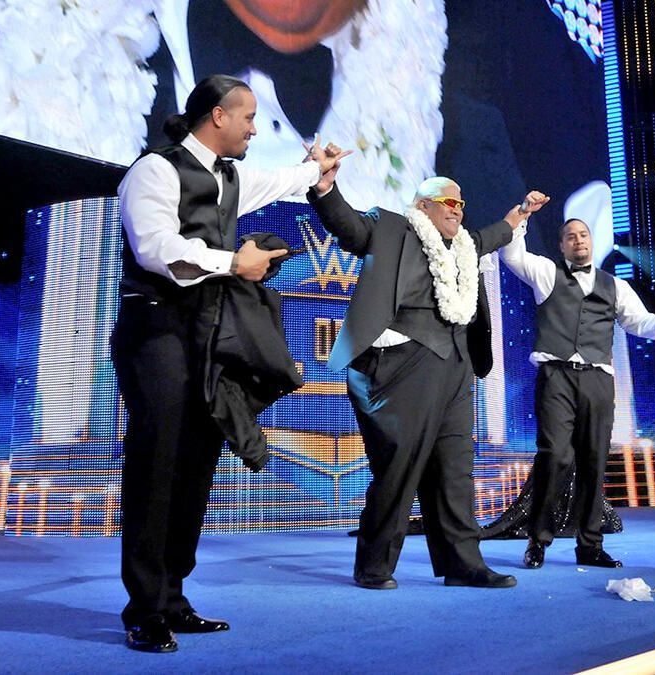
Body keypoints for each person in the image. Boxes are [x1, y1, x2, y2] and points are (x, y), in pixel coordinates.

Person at [111, 74, 346, 653]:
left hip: (210, 334)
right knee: (158, 462)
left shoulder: (233, 177)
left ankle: (172, 596)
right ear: (217, 116)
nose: (253, 128)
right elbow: (154, 247)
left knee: (195, 464)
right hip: (157, 328)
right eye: (248, 118)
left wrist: (316, 168)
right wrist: (231, 262)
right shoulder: (155, 170)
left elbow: (284, 180)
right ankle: (143, 607)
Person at [306, 158, 549, 590]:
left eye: (461, 203)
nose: (457, 209)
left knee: (455, 469)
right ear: (423, 206)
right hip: (401, 363)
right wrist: (325, 189)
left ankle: (463, 563)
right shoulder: (392, 227)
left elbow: (499, 232)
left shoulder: (466, 244)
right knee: (400, 466)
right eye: (448, 201)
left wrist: (522, 213)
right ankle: (374, 565)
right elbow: (349, 227)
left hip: (455, 366)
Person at [499, 218, 655, 569]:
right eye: (570, 237)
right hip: (556, 375)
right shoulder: (546, 272)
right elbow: (512, 255)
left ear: (591, 240)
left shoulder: (614, 285)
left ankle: (589, 545)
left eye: (583, 235)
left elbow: (641, 323)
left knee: (593, 461)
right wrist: (524, 218)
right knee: (555, 455)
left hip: (598, 380)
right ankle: (538, 539)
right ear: (561, 245)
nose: (578, 241)